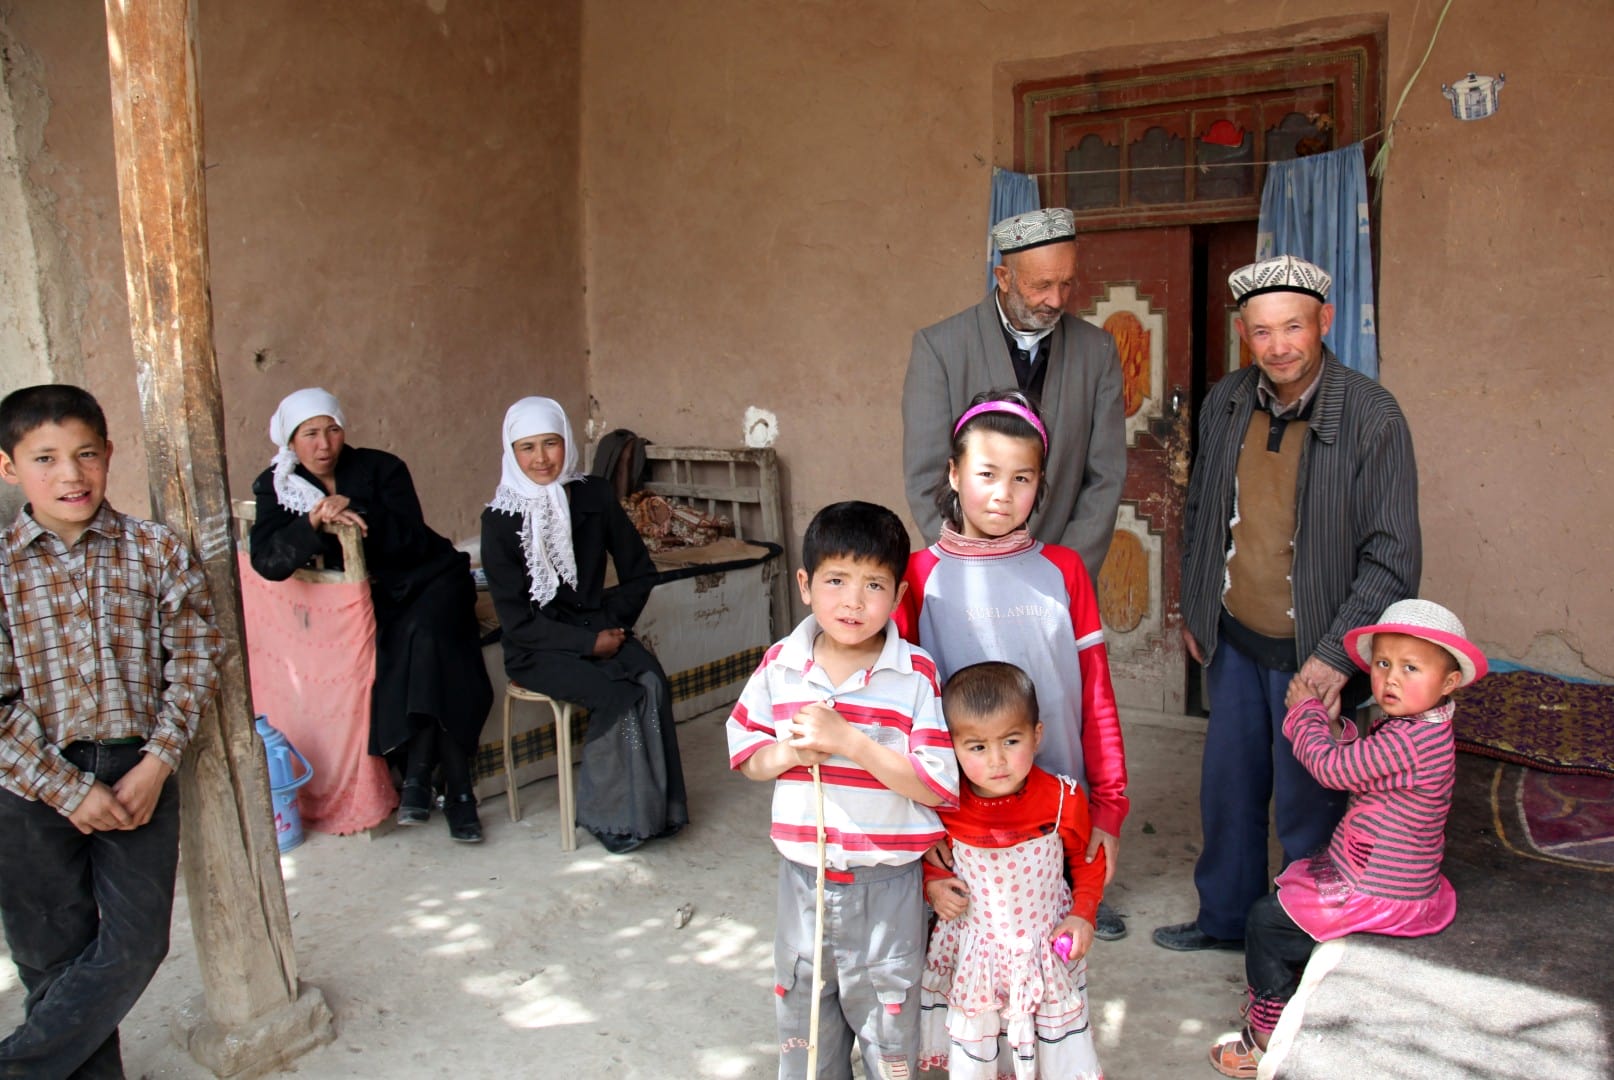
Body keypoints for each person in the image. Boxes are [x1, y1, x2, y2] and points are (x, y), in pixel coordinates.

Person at [1154, 255, 1422, 952]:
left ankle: (1304, 940)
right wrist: (1196, 609)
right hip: (1236, 638)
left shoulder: (1372, 415)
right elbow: (1202, 512)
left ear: (1324, 321)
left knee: (1311, 806)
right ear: (1244, 333)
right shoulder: (1228, 400)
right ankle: (1224, 921)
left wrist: (1334, 659)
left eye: (1293, 327)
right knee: (1229, 789)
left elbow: (1393, 556)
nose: (1278, 347)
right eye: (1263, 331)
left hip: (1316, 653)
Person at [0, 384, 225, 1077]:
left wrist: (158, 763)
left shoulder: (154, 549)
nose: (71, 474)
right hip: (27, 783)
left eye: (86, 454)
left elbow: (196, 658)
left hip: (138, 775)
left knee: (135, 945)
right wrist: (66, 790)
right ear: (8, 467)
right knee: (52, 957)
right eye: (45, 458)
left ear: (108, 453)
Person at [726, 501, 959, 1080]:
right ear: (805, 585)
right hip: (802, 881)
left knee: (888, 1028)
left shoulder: (915, 675)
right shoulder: (781, 666)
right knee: (806, 1025)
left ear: (898, 595)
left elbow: (935, 787)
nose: (854, 601)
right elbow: (748, 755)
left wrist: (850, 742)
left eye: (873, 585)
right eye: (836, 580)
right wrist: (791, 753)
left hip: (888, 888)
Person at [1207, 599, 1484, 1077]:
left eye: (1410, 668)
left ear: (1449, 681)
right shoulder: (1425, 727)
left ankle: (1266, 1039)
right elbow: (1370, 767)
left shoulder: (1410, 740)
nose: (1391, 679)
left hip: (1378, 890)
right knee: (1294, 896)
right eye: (1383, 664)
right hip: (1398, 877)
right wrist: (1333, 725)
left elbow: (1332, 770)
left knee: (1267, 922)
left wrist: (1305, 714)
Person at [895, 391, 1130, 940]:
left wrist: (1109, 809)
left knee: (1051, 955)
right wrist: (917, 824)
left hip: (1058, 820)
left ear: (1040, 484)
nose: (1003, 494)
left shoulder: (1064, 571)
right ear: (953, 474)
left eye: (1022, 478)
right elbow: (901, 715)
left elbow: (1096, 698)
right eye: (986, 474)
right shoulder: (919, 577)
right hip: (961, 828)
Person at [250, 388, 492, 843]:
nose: (324, 444)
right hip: (374, 599)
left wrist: (356, 508)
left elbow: (412, 539)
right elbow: (268, 561)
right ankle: (455, 788)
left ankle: (420, 774)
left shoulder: (382, 468)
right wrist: (312, 521)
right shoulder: (277, 485)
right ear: (291, 440)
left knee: (428, 629)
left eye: (333, 430)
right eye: (310, 434)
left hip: (432, 576)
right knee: (424, 639)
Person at [481, 397, 687, 854]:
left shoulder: (593, 495)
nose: (541, 458)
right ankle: (611, 818)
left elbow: (640, 572)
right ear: (511, 453)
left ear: (567, 443)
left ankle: (657, 810)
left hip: (598, 627)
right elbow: (517, 622)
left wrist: (612, 626)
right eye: (527, 447)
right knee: (616, 695)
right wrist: (587, 643)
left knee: (651, 679)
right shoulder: (499, 520)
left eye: (550, 443)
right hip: (536, 647)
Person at [902, 206, 1125, 586]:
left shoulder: (1097, 351)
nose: (1056, 300)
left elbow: (1105, 479)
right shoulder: (939, 348)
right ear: (1004, 278)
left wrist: (1063, 574)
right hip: (967, 579)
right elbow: (926, 478)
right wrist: (968, 564)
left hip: (1061, 584)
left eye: (1066, 284)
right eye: (1042, 285)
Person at [919, 661, 1106, 1080]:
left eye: (1011, 740)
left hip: (1041, 948)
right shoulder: (944, 804)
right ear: (952, 746)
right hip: (974, 950)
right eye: (977, 747)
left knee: (1043, 1034)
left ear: (1037, 735)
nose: (997, 760)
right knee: (983, 1031)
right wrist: (935, 885)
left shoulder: (1062, 799)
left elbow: (1086, 859)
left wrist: (1084, 913)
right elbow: (933, 859)